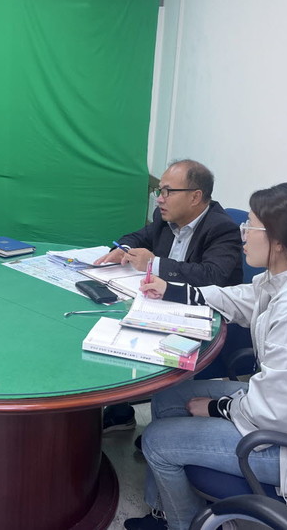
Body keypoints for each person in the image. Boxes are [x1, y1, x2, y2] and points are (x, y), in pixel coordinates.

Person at [124, 182, 287, 530]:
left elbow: (274, 415)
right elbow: (244, 299)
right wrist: (177, 291)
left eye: (250, 226)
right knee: (169, 397)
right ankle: (165, 511)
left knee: (157, 441)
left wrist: (217, 407)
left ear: (279, 240)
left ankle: (182, 525)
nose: (243, 234)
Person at [95, 159, 243, 432]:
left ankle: (168, 425)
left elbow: (213, 276)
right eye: (159, 191)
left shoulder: (222, 228)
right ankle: (120, 409)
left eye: (167, 192)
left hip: (203, 315)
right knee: (110, 326)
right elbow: (138, 237)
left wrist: (155, 264)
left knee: (135, 336)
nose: (160, 199)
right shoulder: (164, 218)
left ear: (195, 197)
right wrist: (123, 248)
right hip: (162, 302)